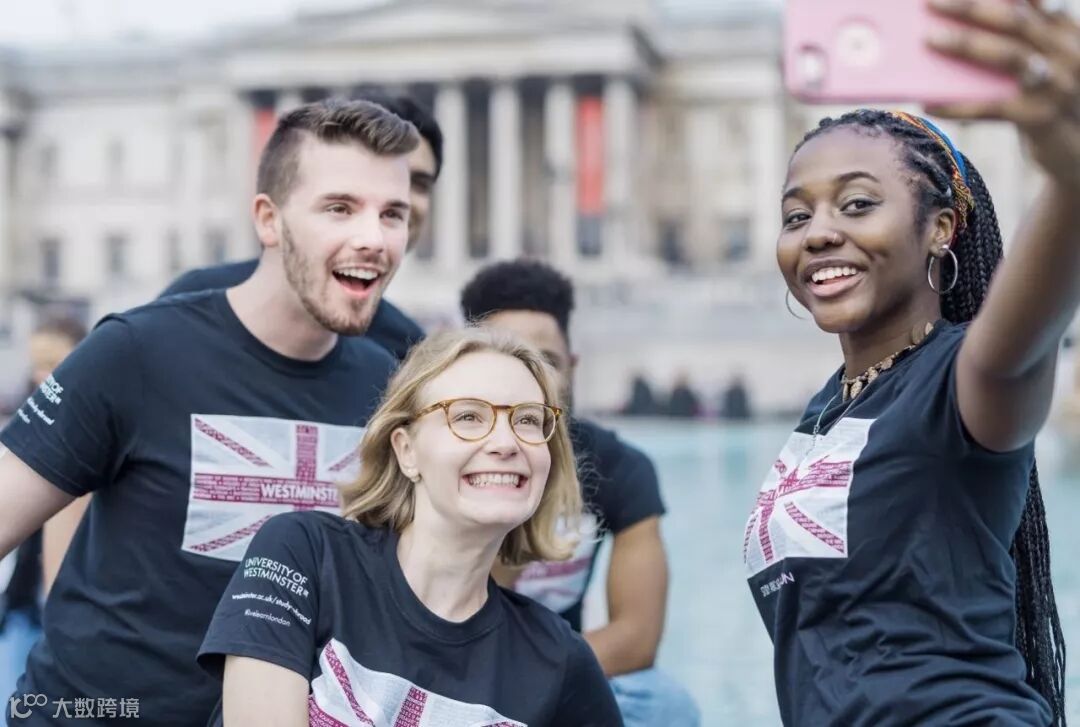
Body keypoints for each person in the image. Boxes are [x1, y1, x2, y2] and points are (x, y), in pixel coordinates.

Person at [0, 98, 417, 725]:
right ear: (268, 220)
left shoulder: (388, 389)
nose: (373, 238)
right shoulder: (137, 350)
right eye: (339, 208)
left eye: (393, 214)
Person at [745, 4, 1079, 724]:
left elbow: (1026, 331)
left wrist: (1073, 174)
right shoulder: (829, 407)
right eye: (796, 216)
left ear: (940, 228)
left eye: (857, 204)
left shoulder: (966, 377)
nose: (819, 233)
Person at [197, 327, 623, 726]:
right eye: (468, 417)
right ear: (406, 451)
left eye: (528, 420)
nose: (506, 443)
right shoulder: (305, 554)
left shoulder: (560, 661)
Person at [461, 259, 700, 727]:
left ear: (572, 367)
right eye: (510, 360)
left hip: (555, 668)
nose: (531, 380)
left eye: (546, 361)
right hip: (453, 664)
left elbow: (637, 637)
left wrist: (537, 677)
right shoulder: (443, 456)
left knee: (667, 706)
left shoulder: (619, 467)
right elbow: (458, 617)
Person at [161, 90, 442, 362]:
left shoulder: (405, 350)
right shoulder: (182, 312)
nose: (401, 195)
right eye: (340, 207)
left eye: (417, 183)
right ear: (268, 218)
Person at [0, 317, 85, 701]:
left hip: (58, 614)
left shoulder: (86, 433)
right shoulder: (26, 422)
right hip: (20, 603)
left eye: (51, 362)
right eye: (37, 362)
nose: (40, 373)